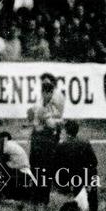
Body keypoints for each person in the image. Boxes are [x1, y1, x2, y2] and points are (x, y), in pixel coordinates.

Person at [27, 73, 65, 203]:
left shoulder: (56, 99)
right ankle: (39, 197)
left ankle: (40, 197)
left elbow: (53, 120)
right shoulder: (41, 105)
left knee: (43, 170)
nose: (45, 95)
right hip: (42, 140)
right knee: (41, 170)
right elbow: (50, 123)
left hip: (43, 139)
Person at [52, 120, 99, 211]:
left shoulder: (61, 146)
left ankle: (77, 205)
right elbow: (94, 162)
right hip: (85, 176)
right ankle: (93, 209)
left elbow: (55, 164)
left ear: (66, 131)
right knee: (91, 174)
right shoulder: (85, 143)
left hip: (70, 177)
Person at [0, 130, 35, 201]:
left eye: (0, 139)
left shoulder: (7, 145)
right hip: (24, 170)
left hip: (20, 171)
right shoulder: (13, 144)